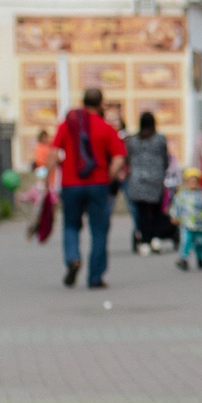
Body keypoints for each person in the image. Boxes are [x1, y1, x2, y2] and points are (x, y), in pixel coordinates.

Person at [48, 87, 127, 290]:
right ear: (101, 104)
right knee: (99, 230)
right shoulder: (106, 128)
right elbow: (119, 158)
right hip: (98, 184)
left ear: (83, 102)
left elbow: (53, 153)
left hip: (70, 184)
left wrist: (47, 180)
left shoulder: (67, 125)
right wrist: (108, 176)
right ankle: (95, 277)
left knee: (71, 225)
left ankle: (73, 258)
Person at [125, 110, 172, 255]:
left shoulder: (132, 141)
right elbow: (165, 158)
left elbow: (128, 159)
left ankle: (145, 241)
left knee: (142, 212)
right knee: (157, 211)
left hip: (138, 180)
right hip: (156, 179)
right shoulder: (159, 139)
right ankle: (156, 239)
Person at [172, 166, 202, 270]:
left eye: (195, 182)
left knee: (200, 243)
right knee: (185, 241)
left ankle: (200, 257)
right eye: (190, 182)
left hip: (200, 225)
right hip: (187, 224)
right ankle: (183, 259)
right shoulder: (181, 195)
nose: (192, 184)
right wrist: (175, 215)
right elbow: (176, 206)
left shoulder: (201, 194)